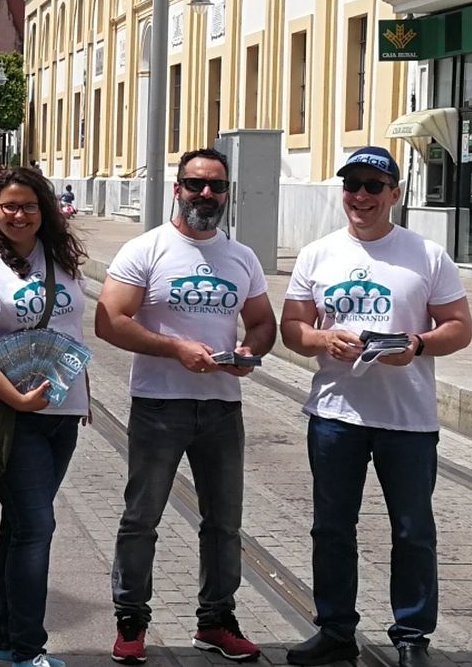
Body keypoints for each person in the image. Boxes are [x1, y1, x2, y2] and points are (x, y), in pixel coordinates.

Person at [279, 146, 472, 667]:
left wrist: (417, 344)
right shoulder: (317, 253)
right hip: (336, 415)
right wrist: (323, 341)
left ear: (394, 194)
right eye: (352, 185)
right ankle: (336, 630)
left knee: (412, 530)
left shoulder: (427, 255)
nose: (360, 196)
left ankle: (411, 635)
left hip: (407, 419)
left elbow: (458, 327)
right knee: (332, 527)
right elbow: (292, 328)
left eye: (372, 186)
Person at [97, 149, 276, 663]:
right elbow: (110, 321)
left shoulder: (240, 256)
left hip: (222, 406)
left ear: (227, 194)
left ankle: (216, 620)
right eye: (196, 185)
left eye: (216, 187)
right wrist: (175, 348)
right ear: (177, 188)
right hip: (158, 404)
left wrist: (249, 351)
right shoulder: (147, 249)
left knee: (224, 522)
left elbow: (263, 321)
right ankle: (131, 619)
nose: (206, 195)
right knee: (142, 517)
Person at [0, 168, 90, 667]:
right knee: (37, 526)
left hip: (62, 413)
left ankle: (5, 644)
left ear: (43, 210)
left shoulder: (61, 258)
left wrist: (78, 398)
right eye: (9, 205)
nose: (19, 214)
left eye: (29, 205)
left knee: (19, 526)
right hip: (11, 415)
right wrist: (16, 396)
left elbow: (73, 329)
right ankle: (31, 650)